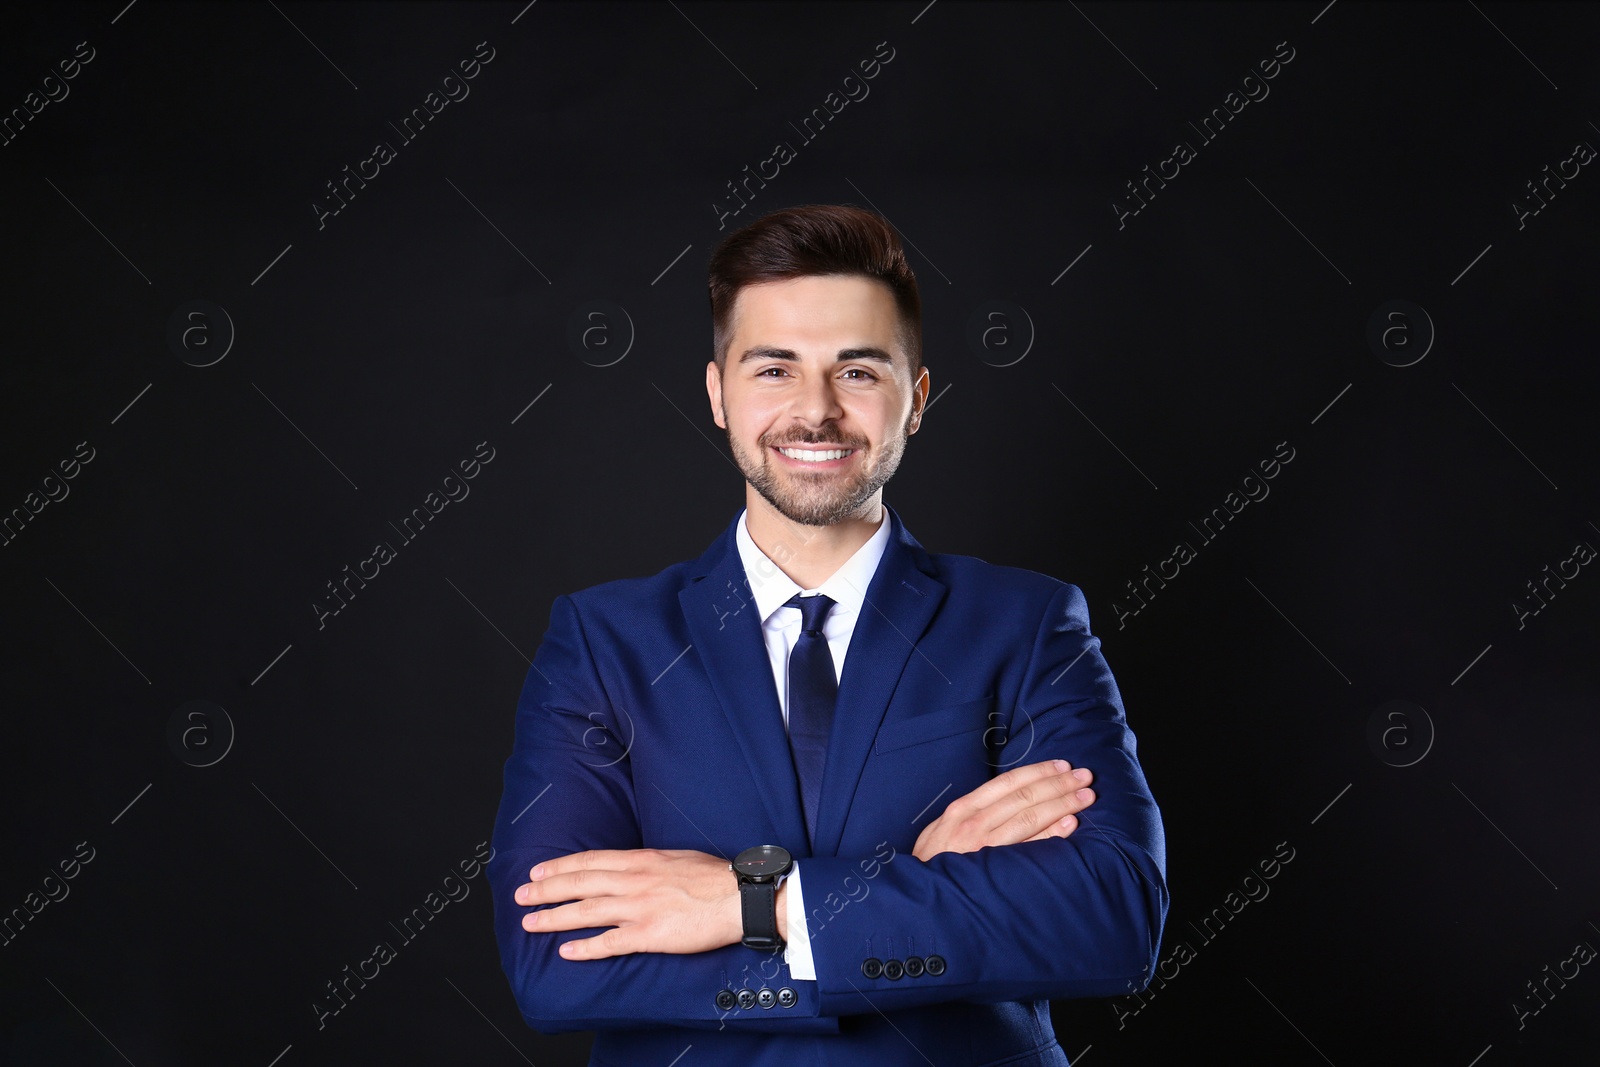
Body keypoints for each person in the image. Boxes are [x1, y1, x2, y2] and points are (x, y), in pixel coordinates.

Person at [488, 203, 1167, 1066]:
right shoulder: (602, 641)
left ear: (915, 398)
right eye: (774, 369)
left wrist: (754, 904)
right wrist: (921, 891)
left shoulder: (1028, 624)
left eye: (858, 371)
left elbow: (1110, 915)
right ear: (717, 395)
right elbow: (554, 964)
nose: (816, 412)